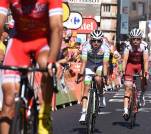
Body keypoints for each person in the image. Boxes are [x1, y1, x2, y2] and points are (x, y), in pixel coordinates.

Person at [0, 1, 63, 134]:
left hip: (43, 41)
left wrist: (52, 60)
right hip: (19, 42)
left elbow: (57, 27)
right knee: (8, 100)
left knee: (47, 67)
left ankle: (44, 113)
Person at [77, 30, 110, 123]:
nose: (96, 43)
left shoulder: (105, 48)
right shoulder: (85, 46)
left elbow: (105, 63)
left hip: (100, 64)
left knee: (98, 78)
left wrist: (106, 77)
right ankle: (83, 114)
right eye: (94, 40)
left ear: (102, 41)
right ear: (90, 40)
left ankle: (101, 95)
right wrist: (80, 74)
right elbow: (83, 63)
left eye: (98, 41)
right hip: (89, 64)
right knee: (86, 88)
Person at [122, 28, 149, 119]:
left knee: (145, 79)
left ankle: (141, 96)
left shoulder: (144, 46)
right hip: (130, 65)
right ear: (131, 39)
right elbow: (125, 59)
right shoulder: (127, 46)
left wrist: (145, 72)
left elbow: (145, 60)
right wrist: (123, 71)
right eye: (134, 39)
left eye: (138, 39)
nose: (136, 41)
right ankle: (125, 110)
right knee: (128, 88)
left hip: (140, 65)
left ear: (141, 39)